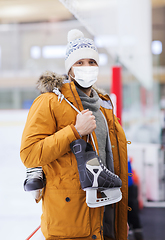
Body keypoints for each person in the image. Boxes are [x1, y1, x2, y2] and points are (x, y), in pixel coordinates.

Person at [20, 29, 128, 240]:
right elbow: (30, 154)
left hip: (107, 216)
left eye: (92, 62)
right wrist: (74, 131)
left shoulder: (104, 105)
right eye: (79, 63)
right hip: (70, 224)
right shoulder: (50, 102)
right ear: (69, 69)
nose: (87, 68)